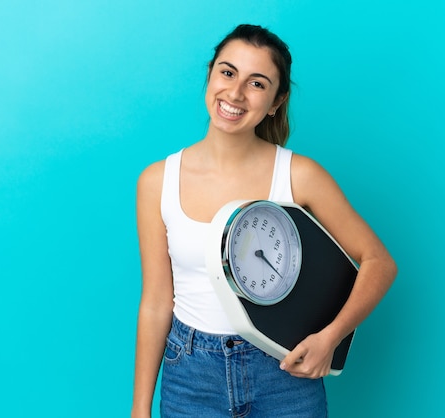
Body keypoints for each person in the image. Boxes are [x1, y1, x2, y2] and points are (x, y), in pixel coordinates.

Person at [131, 24, 397, 418]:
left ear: (276, 100)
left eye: (257, 83)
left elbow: (379, 262)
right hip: (189, 375)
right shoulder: (157, 182)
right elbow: (155, 303)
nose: (235, 93)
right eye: (227, 72)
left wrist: (330, 338)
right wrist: (139, 409)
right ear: (210, 74)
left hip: (283, 375)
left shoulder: (298, 176)